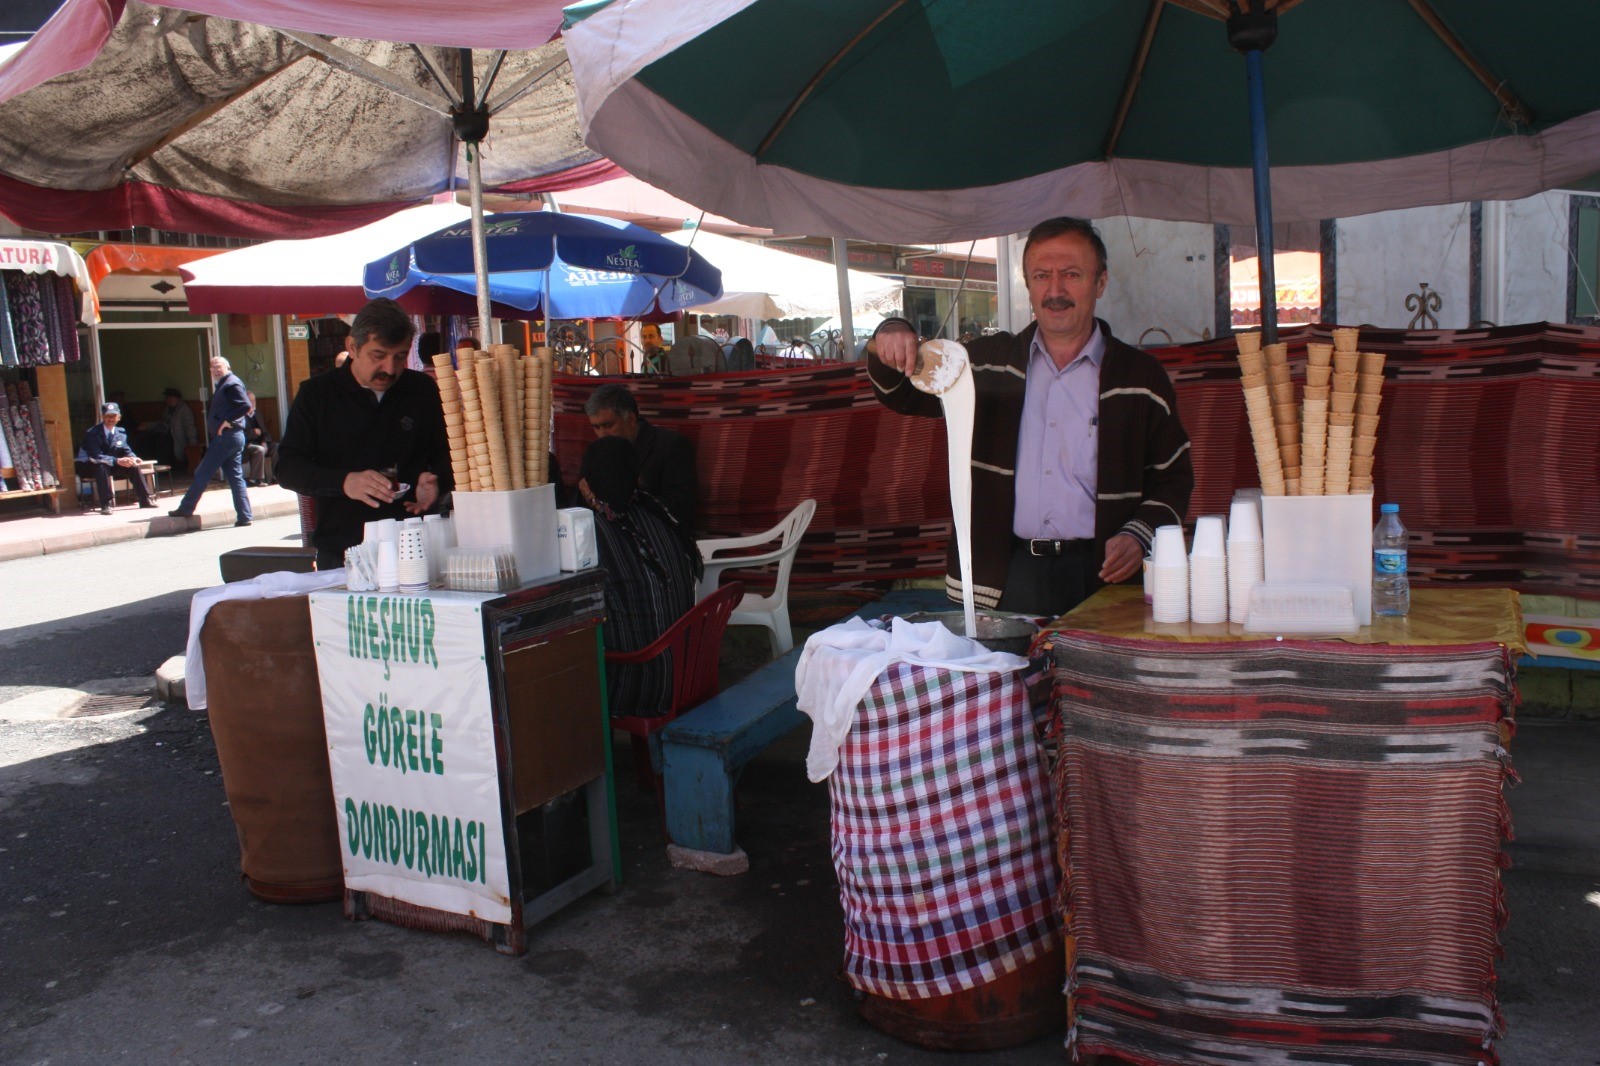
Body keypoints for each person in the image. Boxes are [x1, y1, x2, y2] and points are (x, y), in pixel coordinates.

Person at [867, 216, 1193, 618]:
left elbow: (1174, 476)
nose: (1055, 291)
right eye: (1041, 275)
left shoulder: (1140, 376)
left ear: (1101, 282)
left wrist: (1138, 535)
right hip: (1007, 574)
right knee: (1008, 679)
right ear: (1027, 283)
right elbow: (902, 394)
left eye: (1071, 274)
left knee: (1093, 681)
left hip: (1104, 577)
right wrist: (892, 333)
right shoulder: (984, 365)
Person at [277, 298, 452, 570]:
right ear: (352, 347)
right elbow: (287, 467)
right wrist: (344, 482)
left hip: (415, 546)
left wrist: (436, 480)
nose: (390, 369)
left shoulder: (421, 390)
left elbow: (450, 453)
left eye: (400, 356)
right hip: (343, 549)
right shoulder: (317, 395)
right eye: (378, 356)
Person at [579, 435, 702, 717]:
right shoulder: (661, 515)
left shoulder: (591, 533)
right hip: (688, 675)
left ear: (586, 485)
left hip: (640, 686)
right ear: (637, 476)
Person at [584, 382, 697, 530]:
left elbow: (679, 508)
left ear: (630, 419)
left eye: (608, 425)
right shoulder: (598, 453)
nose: (602, 434)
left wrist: (631, 494)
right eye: (596, 427)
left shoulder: (672, 446)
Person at [168, 356, 254, 527]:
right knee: (235, 478)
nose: (215, 369)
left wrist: (227, 421)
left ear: (228, 367)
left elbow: (245, 406)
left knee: (203, 473)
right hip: (233, 437)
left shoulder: (231, 383)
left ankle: (186, 507)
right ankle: (245, 516)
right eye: (212, 367)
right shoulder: (225, 383)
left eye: (219, 366)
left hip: (227, 437)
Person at [75, 402, 157, 514]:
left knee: (133, 466)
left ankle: (145, 500)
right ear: (103, 417)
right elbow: (95, 456)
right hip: (88, 465)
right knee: (101, 467)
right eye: (108, 416)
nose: (111, 419)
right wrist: (118, 460)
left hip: (110, 464)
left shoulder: (121, 432)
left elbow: (126, 449)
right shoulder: (92, 433)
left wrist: (133, 458)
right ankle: (106, 504)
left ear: (119, 417)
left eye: (113, 416)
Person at [136, 386, 198, 472]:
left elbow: (189, 426)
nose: (167, 400)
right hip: (164, 435)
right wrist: (148, 426)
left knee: (161, 443)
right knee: (145, 440)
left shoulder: (184, 410)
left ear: (175, 398)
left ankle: (163, 470)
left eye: (169, 398)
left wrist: (192, 442)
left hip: (176, 439)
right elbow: (162, 423)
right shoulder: (168, 409)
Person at [241, 392, 274, 486]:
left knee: (276, 447)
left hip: (259, 442)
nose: (253, 403)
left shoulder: (257, 414)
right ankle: (256, 479)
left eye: (254, 400)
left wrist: (264, 442)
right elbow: (240, 434)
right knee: (259, 450)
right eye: (250, 400)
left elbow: (265, 432)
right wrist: (254, 432)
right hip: (247, 444)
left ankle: (275, 476)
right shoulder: (240, 416)